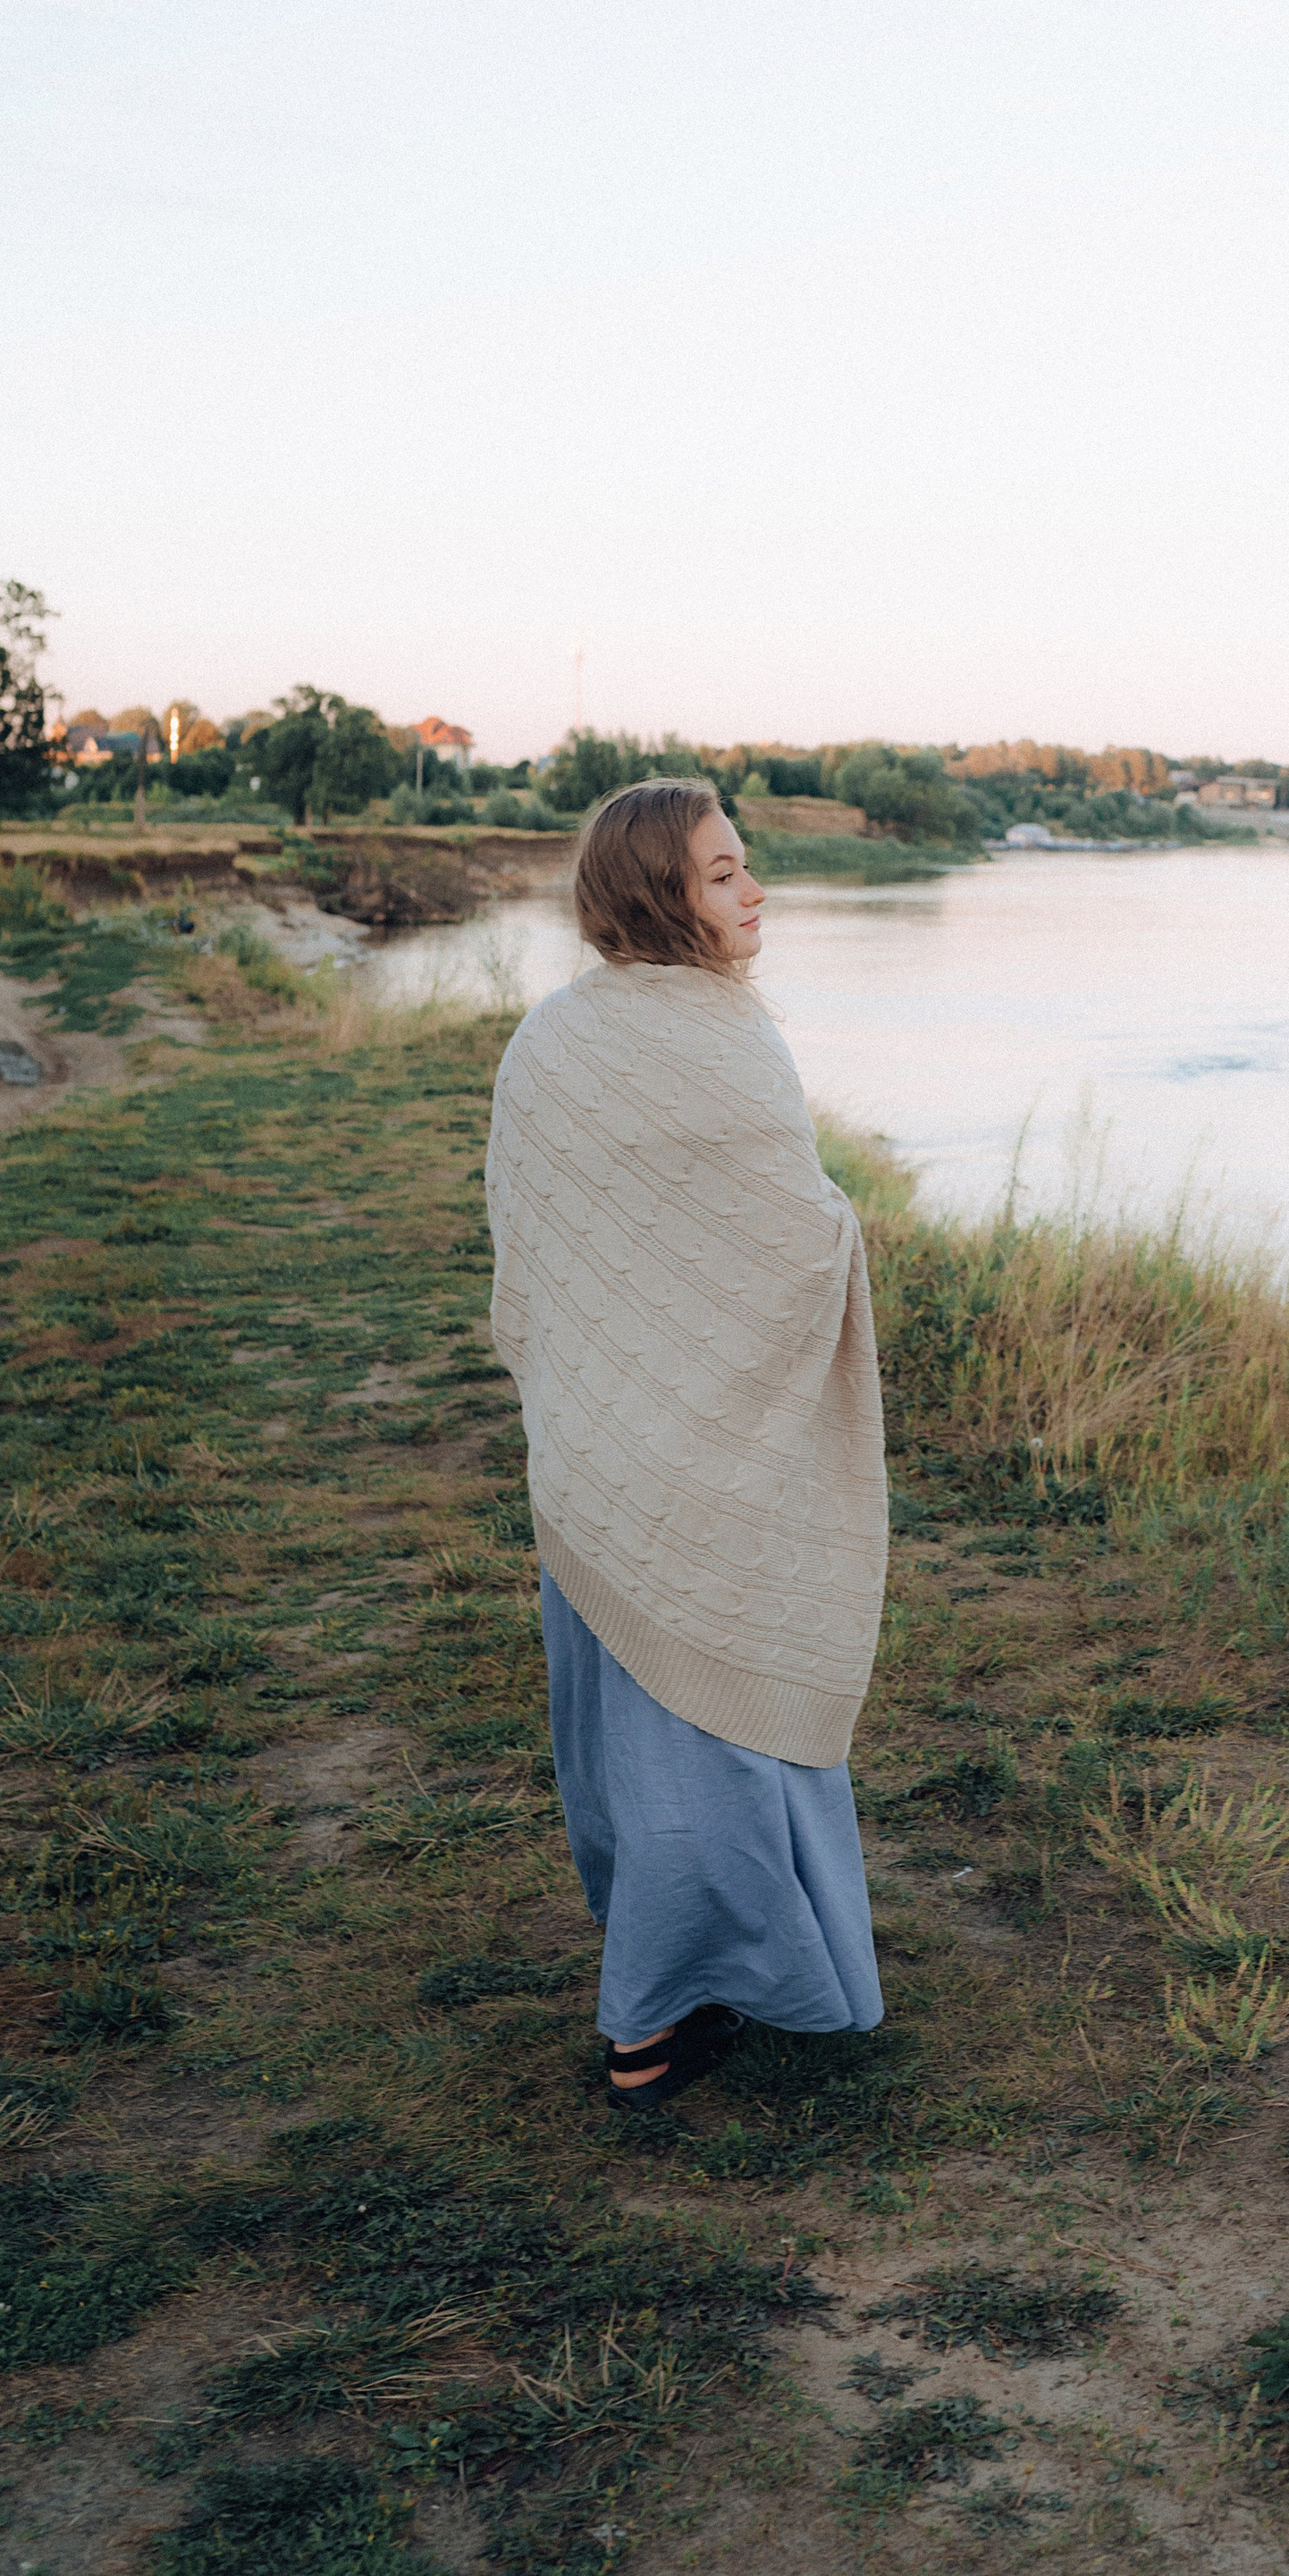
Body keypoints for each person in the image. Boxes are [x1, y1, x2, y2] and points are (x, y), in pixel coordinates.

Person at [484, 779, 888, 2108]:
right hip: (697, 1454)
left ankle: (702, 1979)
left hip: (598, 1444)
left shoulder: (545, 1039)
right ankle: (652, 2023)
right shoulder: (728, 1043)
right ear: (662, 893)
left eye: (748, 865)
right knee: (711, 1727)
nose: (756, 889)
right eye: (724, 874)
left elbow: (533, 1264)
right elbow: (792, 1236)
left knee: (647, 1739)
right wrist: (846, 1231)